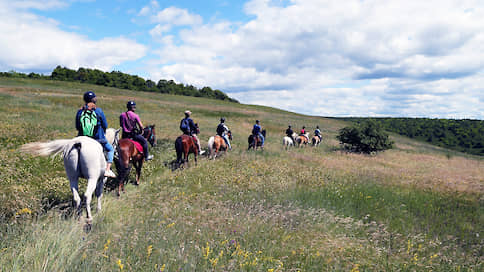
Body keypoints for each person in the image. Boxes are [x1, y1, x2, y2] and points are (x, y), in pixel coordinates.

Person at [76, 91, 116, 178]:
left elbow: (77, 127)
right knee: (110, 149)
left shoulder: (79, 111)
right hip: (98, 139)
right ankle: (107, 169)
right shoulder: (98, 111)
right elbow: (105, 125)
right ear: (94, 99)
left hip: (82, 139)